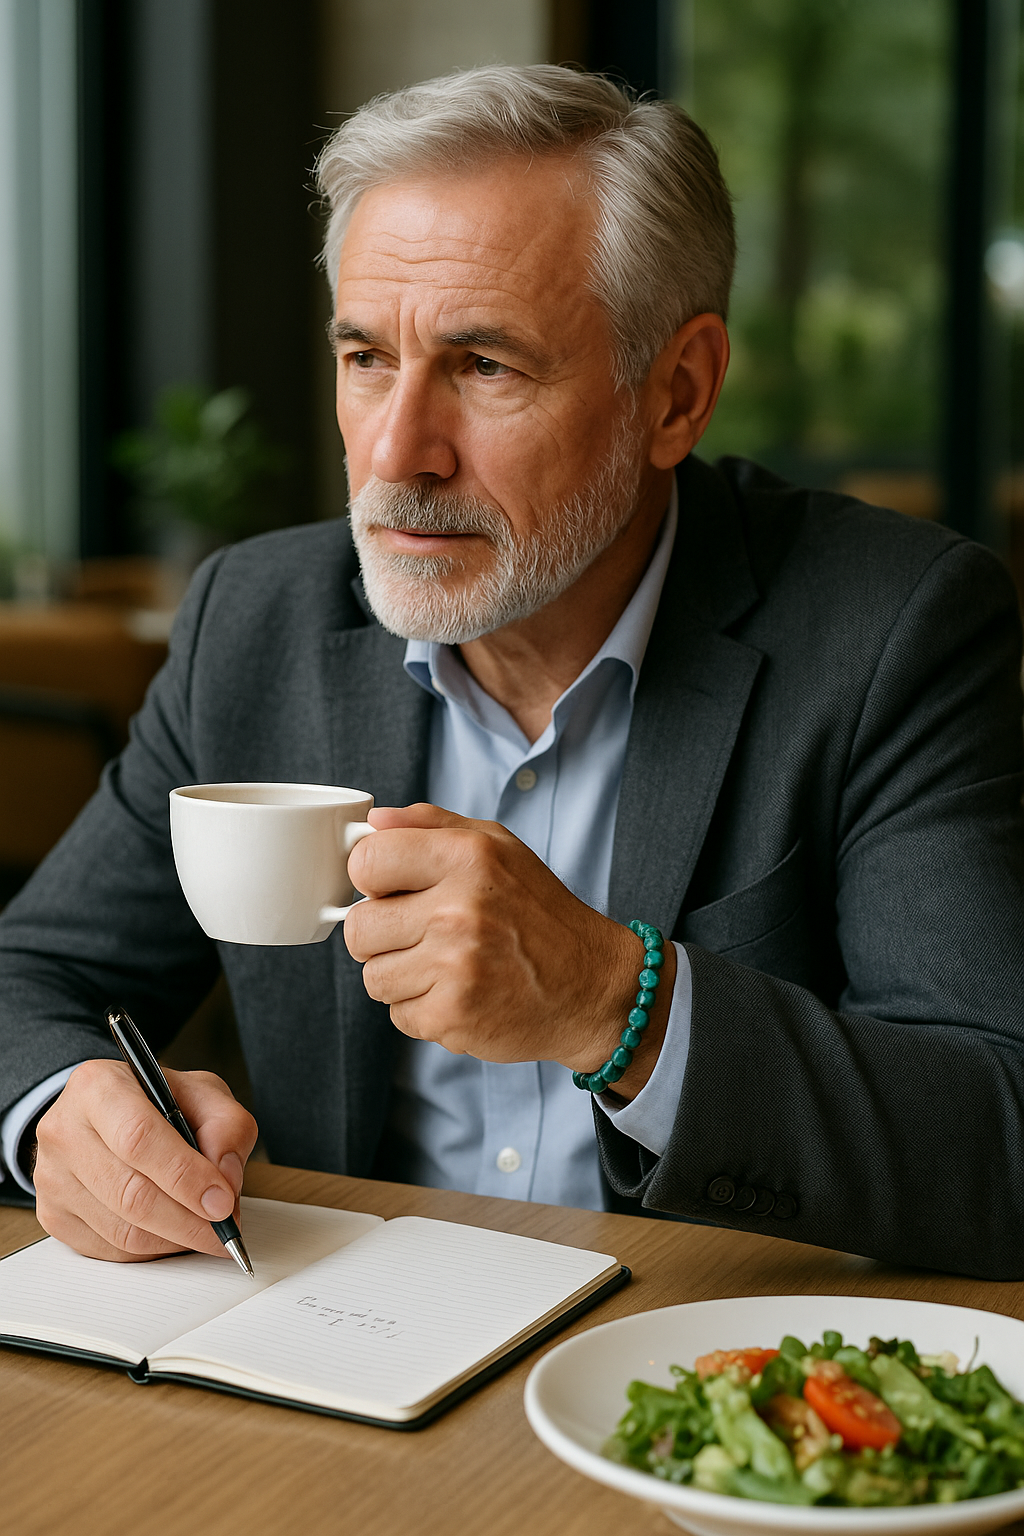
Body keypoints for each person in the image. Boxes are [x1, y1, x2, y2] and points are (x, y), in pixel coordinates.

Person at [0, 66, 1021, 1279]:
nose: (397, 452)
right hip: (322, 1336)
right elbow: (30, 974)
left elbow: (996, 1135)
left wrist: (616, 1001)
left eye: (485, 366)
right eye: (365, 356)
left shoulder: (890, 627)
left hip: (684, 1352)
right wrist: (65, 1110)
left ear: (677, 394)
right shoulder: (257, 618)